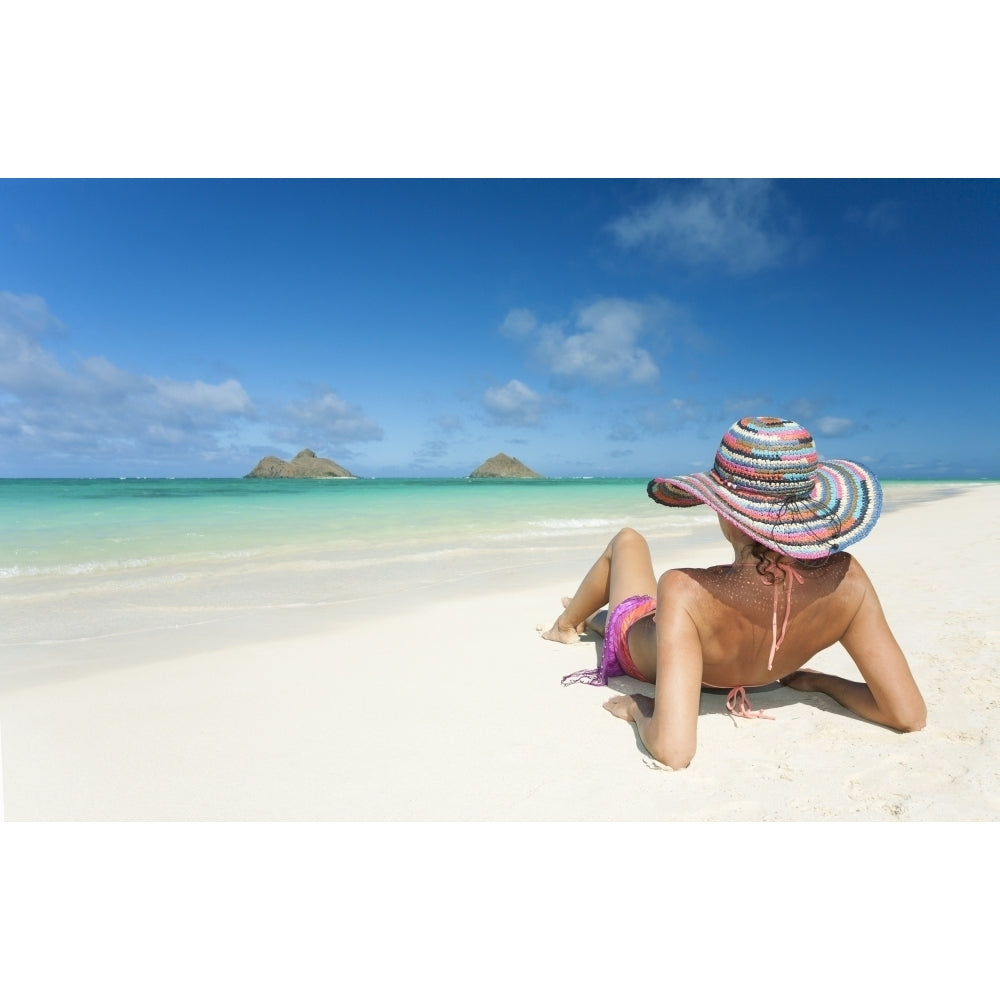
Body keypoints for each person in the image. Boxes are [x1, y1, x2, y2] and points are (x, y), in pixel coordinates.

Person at [540, 416, 926, 770]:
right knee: (629, 613)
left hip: (640, 645)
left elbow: (673, 752)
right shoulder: (850, 581)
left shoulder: (685, 589)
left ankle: (566, 625)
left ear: (726, 510)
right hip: (687, 636)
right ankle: (587, 619)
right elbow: (907, 714)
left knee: (627, 544)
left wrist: (640, 709)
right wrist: (819, 682)